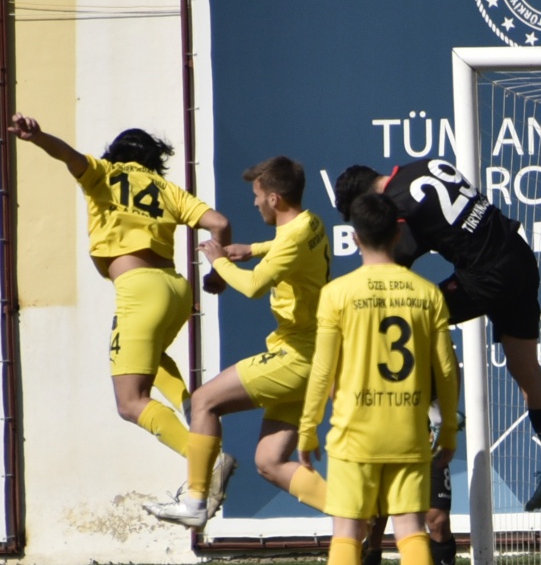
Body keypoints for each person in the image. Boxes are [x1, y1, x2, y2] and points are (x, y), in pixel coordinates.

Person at [333, 159, 541, 512]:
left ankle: (440, 416)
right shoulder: (426, 165)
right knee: (525, 367)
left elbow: (396, 258)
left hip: (487, 276)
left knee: (419, 309)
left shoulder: (396, 204)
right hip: (518, 256)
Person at [7, 115, 231, 462]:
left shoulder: (105, 173)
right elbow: (220, 223)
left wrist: (37, 137)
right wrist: (218, 274)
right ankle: (193, 407)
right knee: (152, 360)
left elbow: (69, 156)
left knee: (130, 402)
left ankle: (206, 462)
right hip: (176, 290)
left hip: (139, 290)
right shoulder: (166, 189)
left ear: (115, 154)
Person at [297, 191, 459, 565]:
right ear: (398, 233)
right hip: (408, 432)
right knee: (411, 532)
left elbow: (322, 371)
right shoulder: (426, 293)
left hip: (355, 434)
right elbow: (446, 371)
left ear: (353, 237)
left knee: (347, 535)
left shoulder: (338, 293)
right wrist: (449, 430)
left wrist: (307, 429)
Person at [145, 156, 329, 529]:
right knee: (270, 462)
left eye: (257, 195)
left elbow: (254, 286)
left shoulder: (293, 237)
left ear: (274, 199)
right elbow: (287, 246)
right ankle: (354, 512)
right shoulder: (311, 222)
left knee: (203, 401)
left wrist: (220, 262)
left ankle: (196, 501)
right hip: (312, 357)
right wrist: (253, 249)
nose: (254, 202)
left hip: (297, 357)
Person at [355, 401, 462, 565]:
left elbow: (447, 385)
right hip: (379, 446)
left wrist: (442, 421)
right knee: (374, 524)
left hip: (426, 444)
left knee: (439, 521)